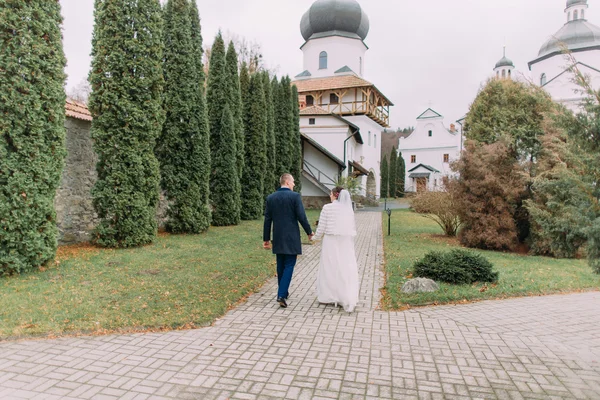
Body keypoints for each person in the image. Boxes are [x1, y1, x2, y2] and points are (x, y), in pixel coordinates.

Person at [263, 173, 313, 308]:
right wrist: (309, 232)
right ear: (287, 182)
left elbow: (267, 219)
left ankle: (283, 292)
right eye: (293, 182)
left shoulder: (271, 198)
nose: (294, 184)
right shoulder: (295, 196)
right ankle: (281, 295)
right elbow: (301, 216)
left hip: (278, 236)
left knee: (280, 265)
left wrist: (266, 238)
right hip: (291, 237)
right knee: (289, 265)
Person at [312, 186, 359, 312]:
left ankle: (329, 295)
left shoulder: (327, 208)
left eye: (331, 194)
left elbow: (321, 227)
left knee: (329, 266)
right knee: (344, 266)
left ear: (335, 195)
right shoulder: (348, 210)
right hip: (344, 242)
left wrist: (314, 238)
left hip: (330, 241)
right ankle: (344, 293)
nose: (330, 196)